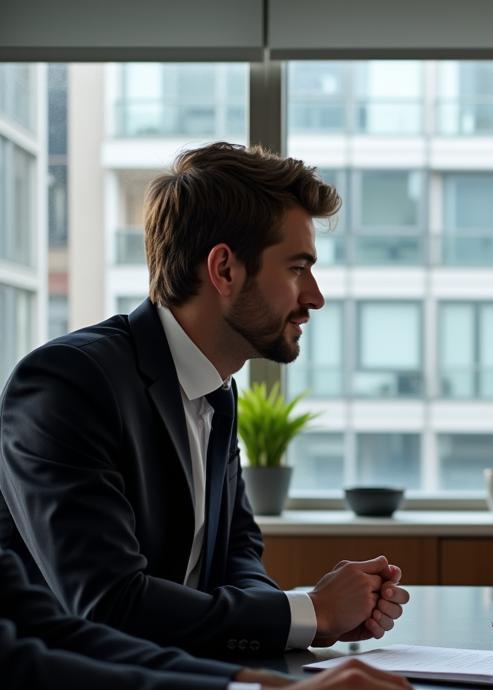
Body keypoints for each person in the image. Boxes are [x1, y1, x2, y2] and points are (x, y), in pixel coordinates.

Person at [0, 141, 407, 660]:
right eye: (296, 269)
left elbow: (238, 553)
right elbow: (107, 604)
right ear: (224, 270)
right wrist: (311, 612)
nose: (315, 296)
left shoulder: (217, 388)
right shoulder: (69, 383)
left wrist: (302, 624)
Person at [0, 546, 430, 690]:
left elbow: (52, 631)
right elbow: (16, 679)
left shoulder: (219, 400)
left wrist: (261, 685)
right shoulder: (64, 379)